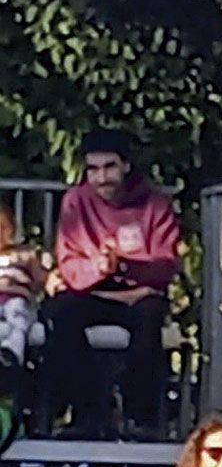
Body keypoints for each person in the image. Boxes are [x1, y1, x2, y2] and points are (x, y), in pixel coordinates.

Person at [46, 128, 181, 439]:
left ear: (126, 166)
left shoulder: (155, 204)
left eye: (109, 167)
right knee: (60, 315)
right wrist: (100, 268)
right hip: (92, 292)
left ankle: (140, 420)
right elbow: (69, 263)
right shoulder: (75, 202)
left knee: (149, 320)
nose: (101, 178)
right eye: (93, 169)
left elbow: (164, 266)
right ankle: (87, 415)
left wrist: (123, 265)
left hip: (141, 296)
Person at [0, 208, 45, 384]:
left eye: (3, 227)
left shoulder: (24, 254)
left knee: (18, 318)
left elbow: (40, 283)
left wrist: (40, 264)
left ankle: (11, 355)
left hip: (17, 299)